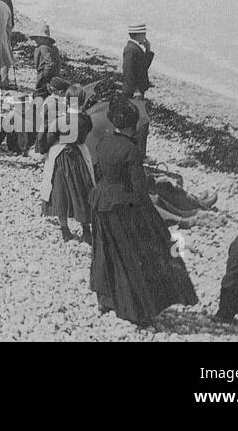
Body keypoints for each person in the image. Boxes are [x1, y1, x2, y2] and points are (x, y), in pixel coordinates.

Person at [89, 96, 197, 326]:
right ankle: (137, 309)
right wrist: (156, 219)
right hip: (123, 206)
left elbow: (99, 172)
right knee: (136, 255)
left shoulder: (104, 142)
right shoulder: (132, 150)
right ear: (134, 124)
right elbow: (140, 190)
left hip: (101, 201)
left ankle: (105, 299)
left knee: (106, 251)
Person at [40, 106, 94, 243]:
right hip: (78, 155)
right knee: (81, 191)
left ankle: (65, 229)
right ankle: (86, 228)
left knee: (60, 193)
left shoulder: (59, 120)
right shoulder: (86, 120)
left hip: (60, 155)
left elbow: (47, 139)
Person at [121, 22, 153, 158]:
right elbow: (128, 72)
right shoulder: (131, 49)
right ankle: (139, 154)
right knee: (142, 123)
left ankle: (139, 153)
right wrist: (134, 90)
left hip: (137, 92)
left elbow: (143, 68)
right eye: (143, 34)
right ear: (139, 34)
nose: (145, 37)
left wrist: (148, 51)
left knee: (140, 123)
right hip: (134, 93)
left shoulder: (134, 48)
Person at [32, 24, 66, 96]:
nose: (36, 40)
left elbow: (49, 63)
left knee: (40, 94)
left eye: (37, 38)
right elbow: (58, 64)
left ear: (42, 38)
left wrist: (45, 77)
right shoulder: (54, 49)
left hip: (44, 75)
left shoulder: (43, 47)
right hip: (54, 76)